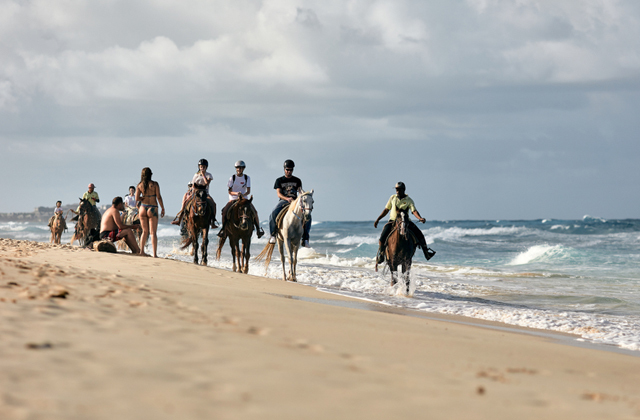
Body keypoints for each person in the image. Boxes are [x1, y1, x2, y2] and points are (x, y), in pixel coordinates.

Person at [374, 182, 434, 263]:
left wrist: (420, 218)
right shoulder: (392, 198)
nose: (397, 191)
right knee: (382, 237)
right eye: (396, 189)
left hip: (405, 221)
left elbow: (414, 211)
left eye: (399, 189)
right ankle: (381, 255)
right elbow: (386, 210)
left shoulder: (409, 200)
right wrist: (378, 219)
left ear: (403, 190)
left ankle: (426, 253)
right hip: (393, 221)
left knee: (420, 234)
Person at [268, 159, 311, 247]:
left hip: (295, 202)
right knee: (273, 214)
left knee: (308, 216)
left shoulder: (297, 180)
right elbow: (279, 194)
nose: (289, 171)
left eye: (290, 170)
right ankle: (273, 235)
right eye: (287, 169)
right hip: (284, 201)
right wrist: (287, 198)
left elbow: (300, 192)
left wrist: (302, 198)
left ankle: (305, 239)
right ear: (284, 169)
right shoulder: (279, 180)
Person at [218, 160, 265, 238]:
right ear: (236, 169)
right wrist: (237, 194)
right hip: (233, 199)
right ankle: (223, 229)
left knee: (255, 212)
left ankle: (258, 230)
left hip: (244, 199)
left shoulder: (247, 178)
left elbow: (248, 191)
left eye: (241, 168)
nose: (239, 169)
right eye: (238, 168)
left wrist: (243, 195)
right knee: (224, 212)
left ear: (243, 169)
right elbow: (229, 191)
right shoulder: (232, 178)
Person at [135, 167, 165, 258]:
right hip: (152, 208)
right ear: (151, 174)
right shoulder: (155, 184)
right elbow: (158, 197)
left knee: (144, 231)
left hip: (143, 208)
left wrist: (142, 198)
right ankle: (155, 254)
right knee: (153, 233)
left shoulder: (139, 185)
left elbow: (136, 199)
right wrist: (163, 208)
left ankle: (142, 251)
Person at [190, 158, 218, 228]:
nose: (202, 168)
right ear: (199, 167)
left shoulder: (209, 175)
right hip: (196, 194)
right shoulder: (196, 175)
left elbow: (206, 183)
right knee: (186, 202)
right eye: (201, 167)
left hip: (205, 194)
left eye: (204, 167)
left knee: (213, 204)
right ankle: (181, 218)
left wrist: (203, 175)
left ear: (206, 167)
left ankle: (213, 221)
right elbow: (193, 184)